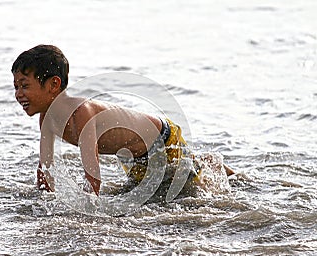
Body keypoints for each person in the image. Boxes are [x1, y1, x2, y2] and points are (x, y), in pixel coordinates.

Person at [12, 45, 234, 195]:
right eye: (16, 87)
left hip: (162, 140)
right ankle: (203, 162)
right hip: (135, 157)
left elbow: (93, 176)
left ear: (53, 84)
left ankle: (214, 164)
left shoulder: (81, 113)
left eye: (24, 85)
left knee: (196, 191)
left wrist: (86, 214)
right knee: (155, 194)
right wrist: (42, 203)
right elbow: (45, 169)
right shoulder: (47, 120)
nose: (18, 94)